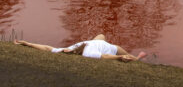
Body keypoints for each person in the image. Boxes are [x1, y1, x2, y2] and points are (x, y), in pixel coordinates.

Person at [14, 34, 147, 62]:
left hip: (97, 41)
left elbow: (48, 48)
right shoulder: (88, 54)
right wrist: (119, 57)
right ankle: (137, 58)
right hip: (111, 48)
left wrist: (28, 43)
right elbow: (105, 56)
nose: (65, 50)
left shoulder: (73, 48)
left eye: (65, 50)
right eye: (66, 51)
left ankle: (134, 58)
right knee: (131, 59)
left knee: (101, 34)